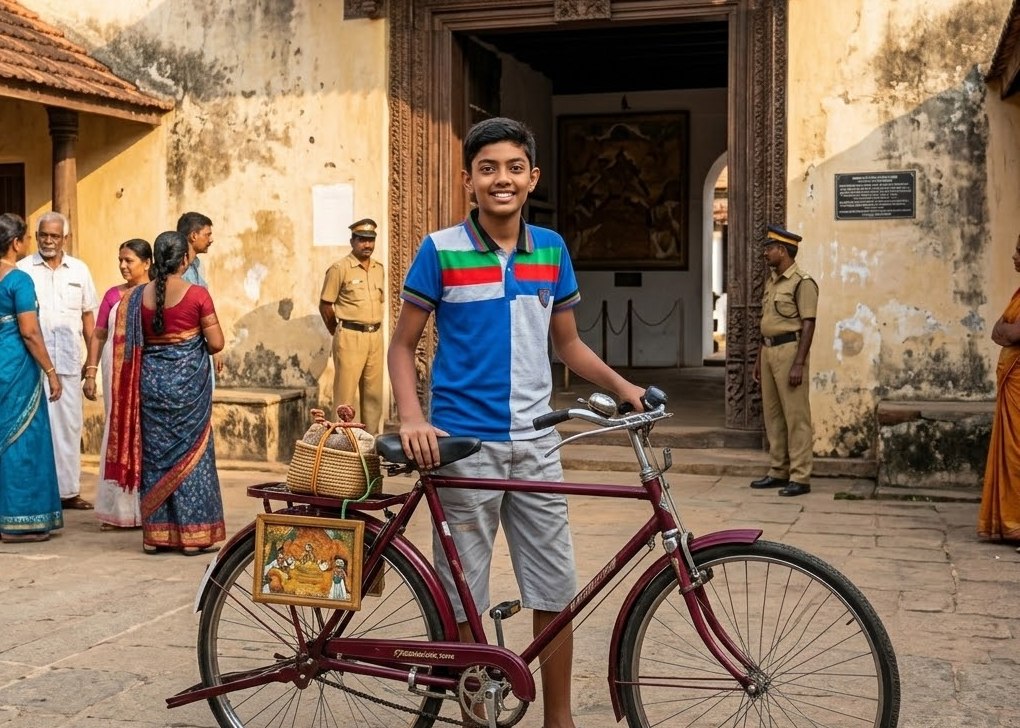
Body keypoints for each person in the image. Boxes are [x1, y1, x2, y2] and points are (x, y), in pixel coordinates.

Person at [388, 116, 645, 728]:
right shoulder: (440, 249)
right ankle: (476, 716)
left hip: (536, 444)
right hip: (460, 447)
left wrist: (624, 387)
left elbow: (569, 346)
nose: (500, 179)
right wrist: (412, 419)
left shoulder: (551, 249)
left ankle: (560, 720)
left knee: (555, 592)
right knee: (464, 598)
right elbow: (402, 346)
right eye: (486, 169)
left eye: (512, 168)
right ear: (468, 180)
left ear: (532, 178)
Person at [105, 231, 226, 555]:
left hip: (151, 388)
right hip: (187, 390)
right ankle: (192, 537)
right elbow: (216, 343)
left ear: (156, 260)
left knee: (156, 459)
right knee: (194, 459)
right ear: (185, 259)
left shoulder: (135, 299)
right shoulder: (197, 294)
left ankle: (156, 536)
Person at [17, 211, 98, 510]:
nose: (48, 241)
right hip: (32, 363)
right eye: (43, 235)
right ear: (35, 237)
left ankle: (68, 492)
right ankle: (39, 493)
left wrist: (91, 365)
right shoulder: (23, 269)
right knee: (33, 429)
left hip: (68, 361)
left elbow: (90, 318)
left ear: (65, 238)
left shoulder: (79, 270)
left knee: (68, 428)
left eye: (54, 236)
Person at [0, 213, 64, 542]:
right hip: (16, 368)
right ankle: (18, 519)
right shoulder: (19, 280)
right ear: (15, 243)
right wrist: (51, 372)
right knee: (22, 439)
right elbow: (29, 332)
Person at [82, 239, 152, 530]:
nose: (123, 266)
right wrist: (90, 370)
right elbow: (98, 334)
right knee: (118, 432)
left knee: (145, 436)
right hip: (115, 376)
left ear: (147, 263)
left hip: (147, 374)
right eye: (120, 260)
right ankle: (118, 511)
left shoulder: (154, 294)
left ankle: (148, 509)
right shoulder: (113, 294)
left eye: (129, 261)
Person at [749, 225, 818, 497]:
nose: (765, 253)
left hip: (790, 351)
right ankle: (778, 470)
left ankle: (800, 476)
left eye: (769, 248)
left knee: (796, 415)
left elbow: (809, 323)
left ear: (783, 250)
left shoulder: (803, 282)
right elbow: (766, 322)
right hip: (768, 352)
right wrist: (758, 359)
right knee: (773, 414)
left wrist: (799, 362)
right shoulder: (773, 280)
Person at [319, 218, 385, 433]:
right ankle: (343, 446)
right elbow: (326, 305)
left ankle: (370, 447)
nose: (367, 245)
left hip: (375, 336)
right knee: (345, 399)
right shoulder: (339, 269)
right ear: (352, 241)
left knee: (373, 396)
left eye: (371, 240)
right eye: (362, 240)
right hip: (349, 335)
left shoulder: (378, 269)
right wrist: (337, 331)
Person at [978, 234, 1020, 545]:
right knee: (1009, 451)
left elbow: (1011, 332)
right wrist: (1008, 332)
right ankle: (1008, 522)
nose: (1014, 257)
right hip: (1011, 383)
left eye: (1018, 250)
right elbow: (998, 332)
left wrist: (1008, 332)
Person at [176, 211, 223, 377]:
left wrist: (214, 346)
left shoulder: (198, 265)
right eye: (207, 234)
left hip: (201, 346)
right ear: (194, 235)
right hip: (184, 350)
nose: (211, 240)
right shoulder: (177, 270)